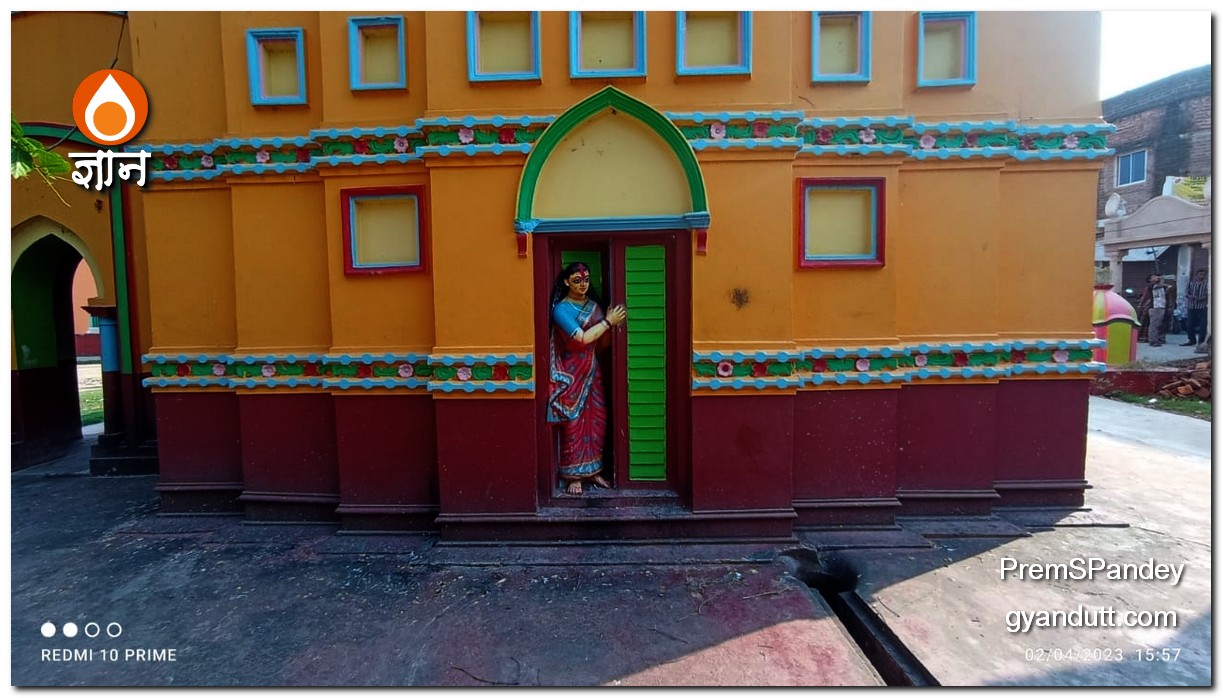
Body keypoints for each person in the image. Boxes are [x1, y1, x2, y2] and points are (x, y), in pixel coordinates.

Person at [547, 262, 627, 495]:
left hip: (593, 370)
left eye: (586, 280)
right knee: (574, 422)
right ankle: (574, 475)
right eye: (576, 280)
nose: (582, 284)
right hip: (571, 373)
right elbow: (581, 339)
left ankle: (592, 471)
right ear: (566, 282)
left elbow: (601, 345)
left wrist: (610, 327)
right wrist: (608, 322)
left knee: (598, 419)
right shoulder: (561, 310)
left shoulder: (594, 306)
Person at [1182, 268, 1209, 346]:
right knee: (1189, 324)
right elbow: (1186, 293)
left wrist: (1203, 298)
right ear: (1196, 275)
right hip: (1191, 307)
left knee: (1203, 325)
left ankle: (1201, 341)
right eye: (1200, 274)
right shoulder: (1191, 283)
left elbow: (1208, 294)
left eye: (1203, 275)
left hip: (1202, 307)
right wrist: (1192, 297)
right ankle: (1192, 340)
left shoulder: (1207, 284)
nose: (1201, 276)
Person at [1144, 274, 1170, 347]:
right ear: (1150, 280)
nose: (1156, 277)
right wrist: (1161, 279)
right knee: (1154, 325)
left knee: (1159, 324)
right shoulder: (1151, 286)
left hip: (1161, 306)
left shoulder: (1160, 286)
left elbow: (1167, 288)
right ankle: (1152, 340)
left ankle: (1158, 338)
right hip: (1155, 307)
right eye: (1154, 277)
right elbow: (1160, 285)